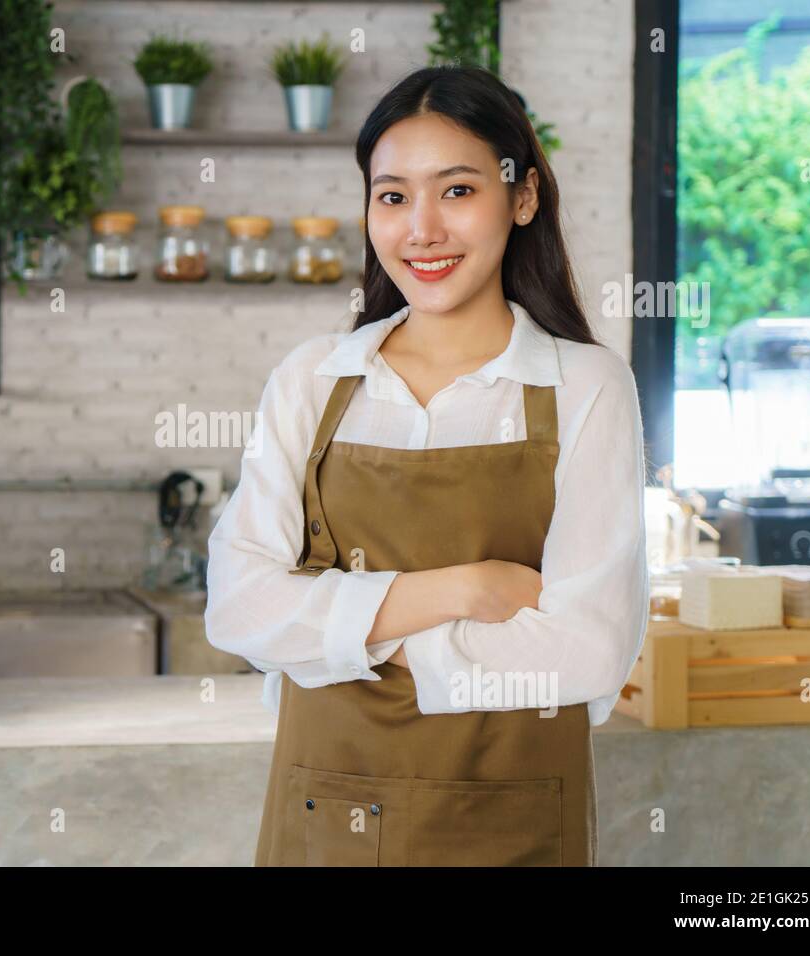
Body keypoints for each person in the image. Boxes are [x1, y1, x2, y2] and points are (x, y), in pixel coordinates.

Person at [204, 65, 649, 867]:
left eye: (457, 191)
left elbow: (588, 650)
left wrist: (343, 637)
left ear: (523, 197)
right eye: (393, 196)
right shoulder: (312, 380)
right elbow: (239, 609)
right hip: (325, 813)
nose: (422, 231)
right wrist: (466, 591)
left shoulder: (585, 386)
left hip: (514, 823)